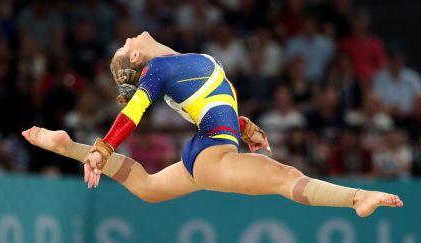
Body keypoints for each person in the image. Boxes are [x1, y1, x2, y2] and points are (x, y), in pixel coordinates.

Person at [23, 32, 403, 217]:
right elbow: (133, 111)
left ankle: (66, 146)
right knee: (287, 177)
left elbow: (208, 105)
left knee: (150, 188)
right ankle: (357, 197)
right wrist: (103, 147)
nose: (127, 37)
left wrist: (242, 124)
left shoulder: (175, 66)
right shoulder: (158, 70)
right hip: (212, 152)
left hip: (208, 148)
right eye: (125, 45)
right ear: (137, 57)